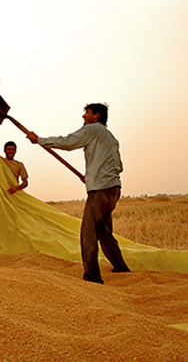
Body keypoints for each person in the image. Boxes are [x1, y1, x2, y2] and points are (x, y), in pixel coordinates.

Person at [26, 103, 130, 284]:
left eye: (86, 113)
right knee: (104, 232)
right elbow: (118, 166)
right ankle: (121, 267)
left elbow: (68, 142)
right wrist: (91, 176)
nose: (83, 117)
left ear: (96, 115)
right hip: (113, 188)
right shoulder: (111, 137)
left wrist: (39, 140)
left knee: (88, 232)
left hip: (100, 189)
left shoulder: (92, 129)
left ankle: (92, 277)